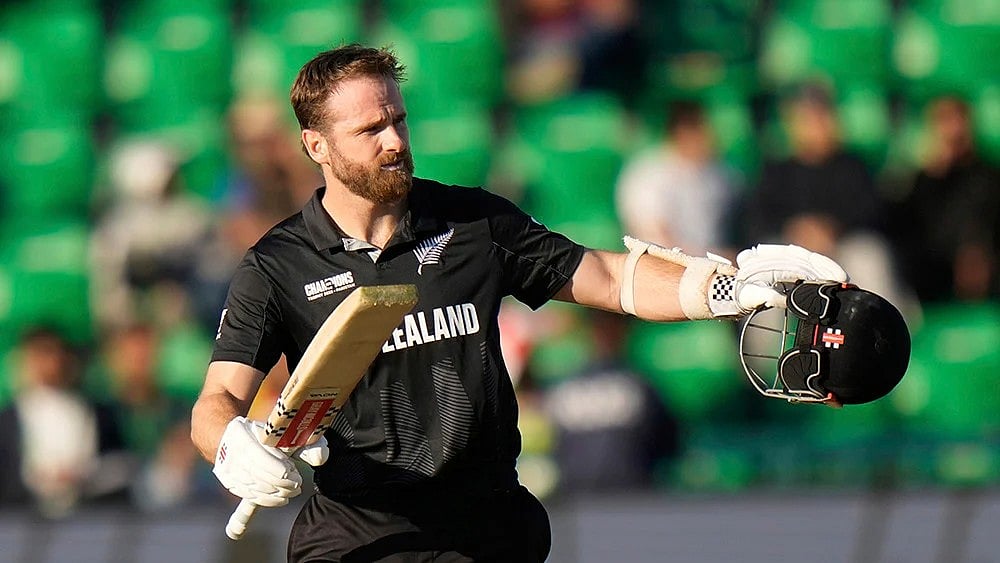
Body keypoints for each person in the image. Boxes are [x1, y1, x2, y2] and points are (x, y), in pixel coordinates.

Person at [190, 44, 849, 562]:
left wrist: (728, 289)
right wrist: (230, 446)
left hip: (488, 535)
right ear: (318, 147)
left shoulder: (472, 224)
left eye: (398, 119)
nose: (394, 140)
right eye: (370, 129)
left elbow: (605, 276)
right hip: (359, 541)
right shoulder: (276, 264)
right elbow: (216, 400)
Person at [890, 95, 1000, 302]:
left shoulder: (988, 175)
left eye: (956, 121)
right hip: (935, 266)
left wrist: (975, 251)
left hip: (982, 260)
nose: (952, 131)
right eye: (944, 122)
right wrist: (936, 175)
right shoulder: (920, 181)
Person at [616, 99, 739, 256]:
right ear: (683, 131)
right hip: (658, 268)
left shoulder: (722, 174)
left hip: (711, 266)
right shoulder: (646, 174)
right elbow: (654, 241)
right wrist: (715, 257)